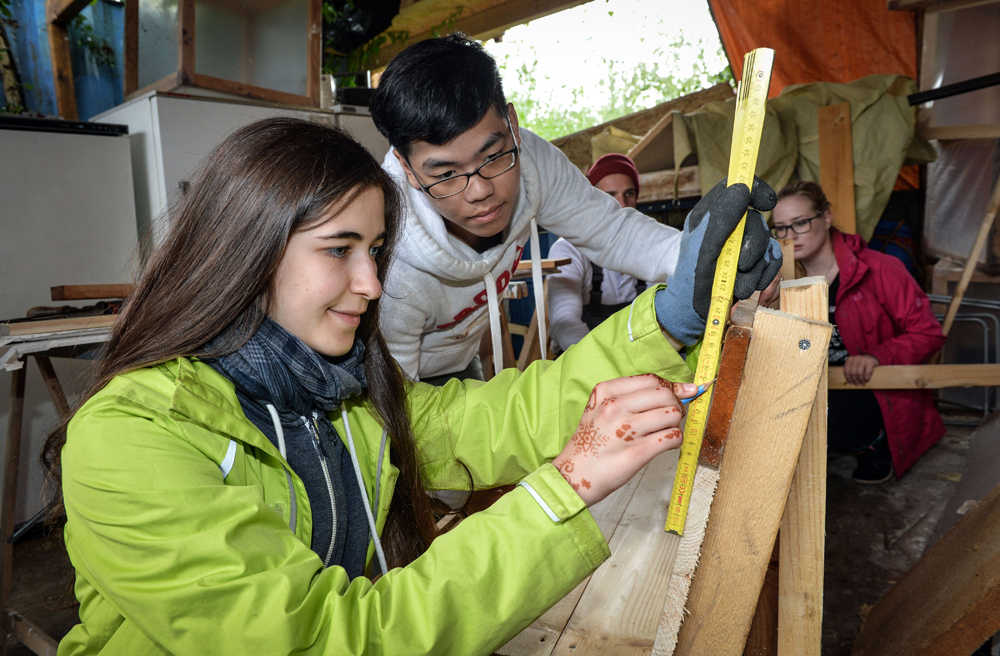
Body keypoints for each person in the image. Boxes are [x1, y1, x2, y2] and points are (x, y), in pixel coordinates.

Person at [44, 117, 780, 655]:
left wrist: (671, 317)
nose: (371, 283)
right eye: (340, 251)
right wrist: (565, 485)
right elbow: (328, 640)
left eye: (377, 251)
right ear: (245, 253)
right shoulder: (131, 439)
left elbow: (496, 420)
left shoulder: (337, 391)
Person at [368, 33, 778, 383]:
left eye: (492, 157)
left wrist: (702, 261)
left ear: (512, 124)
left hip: (462, 357)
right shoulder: (389, 257)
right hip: (398, 375)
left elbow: (612, 232)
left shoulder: (533, 165)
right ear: (405, 167)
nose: (479, 191)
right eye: (446, 175)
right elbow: (393, 405)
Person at [771, 181, 946, 483]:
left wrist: (877, 356)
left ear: (826, 218)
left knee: (843, 421)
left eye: (800, 223)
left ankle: (872, 443)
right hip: (812, 389)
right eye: (781, 228)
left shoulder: (880, 269)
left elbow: (928, 333)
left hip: (866, 392)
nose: (790, 236)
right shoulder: (779, 280)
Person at [548, 153, 651, 353]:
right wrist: (603, 366)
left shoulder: (650, 248)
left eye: (628, 194)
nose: (622, 205)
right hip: (580, 357)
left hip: (638, 356)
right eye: (610, 195)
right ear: (592, 200)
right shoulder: (569, 250)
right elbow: (564, 322)